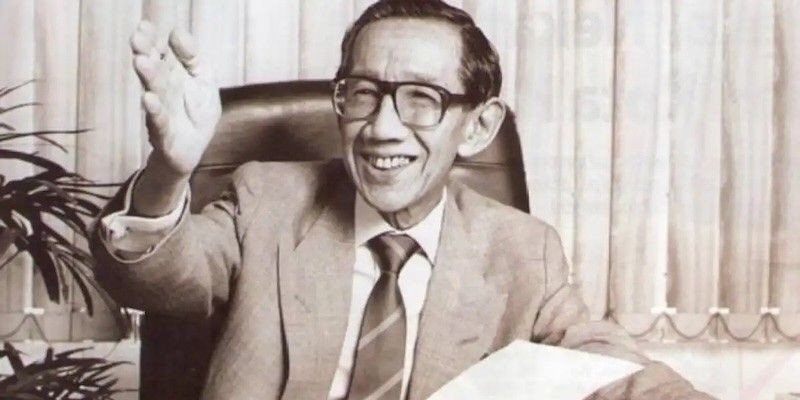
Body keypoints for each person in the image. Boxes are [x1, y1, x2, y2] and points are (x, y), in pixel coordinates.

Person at [90, 1, 715, 399]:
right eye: (363, 93)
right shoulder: (266, 200)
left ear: (478, 126)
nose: (382, 128)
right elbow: (152, 281)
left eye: (422, 98)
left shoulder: (523, 249)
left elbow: (606, 365)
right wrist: (169, 171)